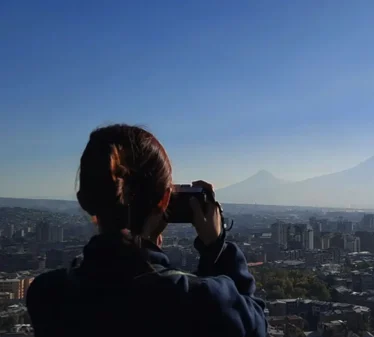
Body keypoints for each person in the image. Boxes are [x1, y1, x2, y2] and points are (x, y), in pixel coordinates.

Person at [26, 124, 268, 337]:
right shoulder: (199, 301)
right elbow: (254, 324)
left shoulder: (48, 295)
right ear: (165, 200)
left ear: (84, 200)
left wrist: (145, 247)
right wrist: (217, 248)